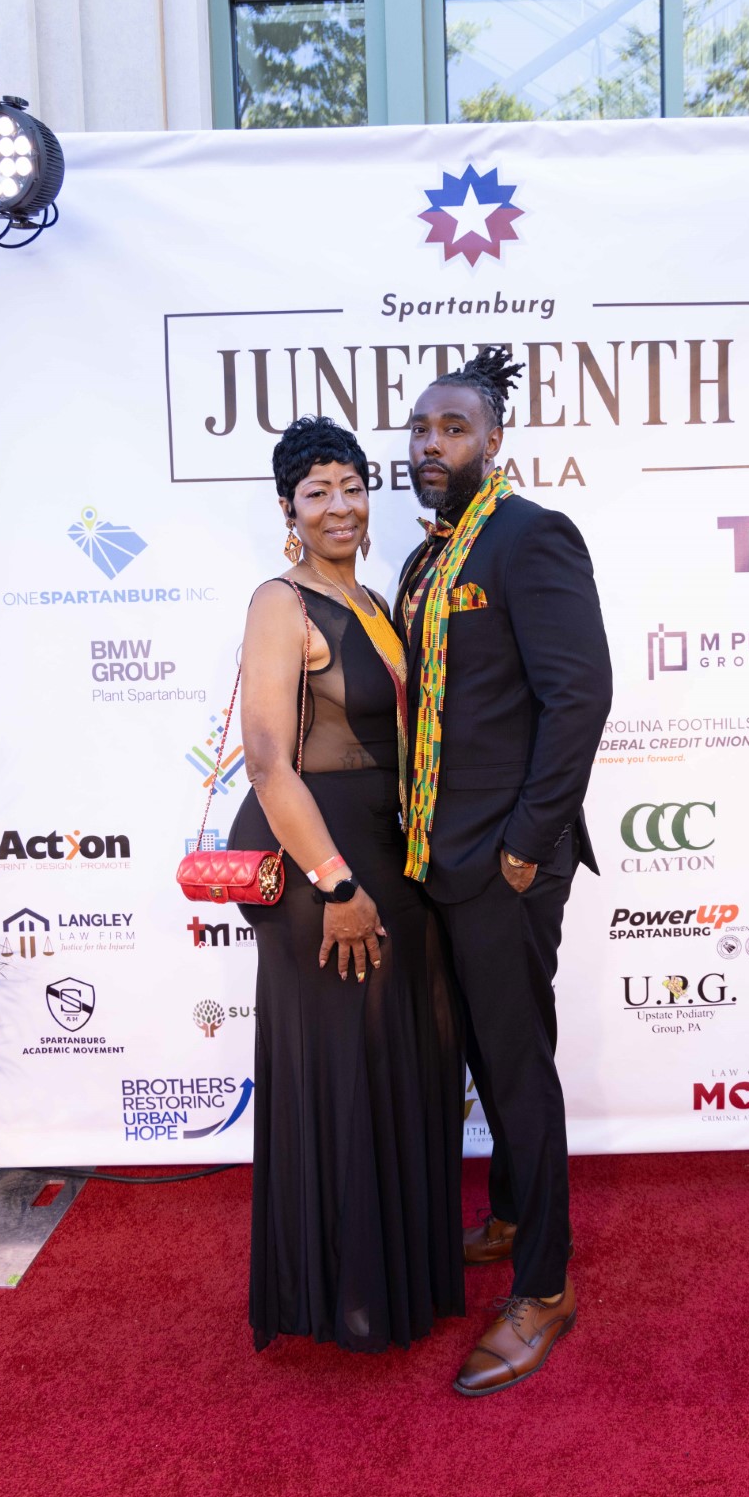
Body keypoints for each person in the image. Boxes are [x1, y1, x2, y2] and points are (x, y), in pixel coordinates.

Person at [395, 346, 613, 1397]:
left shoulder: (531, 536)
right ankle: (518, 1215)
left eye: (453, 429)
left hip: (508, 861)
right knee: (487, 1054)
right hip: (438, 857)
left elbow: (581, 696)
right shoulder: (425, 559)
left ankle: (546, 1288)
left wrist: (526, 844)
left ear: (493, 440)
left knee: (519, 1069)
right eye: (421, 429)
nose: (431, 445)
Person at [229, 413, 465, 1353]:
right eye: (316, 491)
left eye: (353, 487)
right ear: (288, 508)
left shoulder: (373, 600)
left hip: (386, 849)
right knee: (342, 1064)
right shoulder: (279, 603)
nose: (339, 505)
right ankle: (344, 1297)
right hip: (315, 861)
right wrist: (334, 886)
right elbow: (266, 760)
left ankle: (394, 1277)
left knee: (394, 1058)